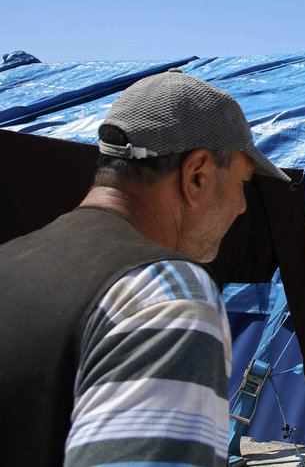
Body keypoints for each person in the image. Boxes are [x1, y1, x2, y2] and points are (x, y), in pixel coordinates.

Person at [0, 69, 290, 466]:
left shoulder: (10, 259)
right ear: (197, 175)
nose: (242, 206)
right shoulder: (162, 293)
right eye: (242, 183)